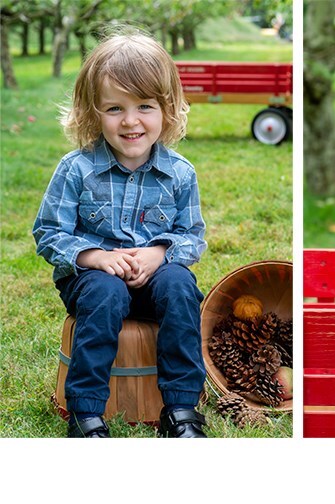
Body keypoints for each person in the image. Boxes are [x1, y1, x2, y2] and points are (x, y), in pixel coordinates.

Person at [33, 31, 208, 438]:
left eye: (144, 106)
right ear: (93, 114)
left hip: (155, 276)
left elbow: (192, 235)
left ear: (167, 109)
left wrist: (159, 254)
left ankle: (181, 408)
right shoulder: (76, 169)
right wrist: (95, 257)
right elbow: (49, 232)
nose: (130, 121)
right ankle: (86, 412)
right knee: (105, 294)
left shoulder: (180, 173)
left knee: (181, 287)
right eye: (115, 108)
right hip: (93, 280)